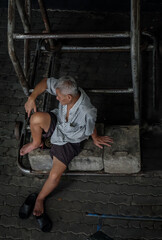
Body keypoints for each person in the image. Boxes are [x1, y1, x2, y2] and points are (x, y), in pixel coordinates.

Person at [20, 76, 113, 216]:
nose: (56, 98)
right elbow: (46, 82)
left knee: (55, 175)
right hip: (59, 122)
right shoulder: (66, 88)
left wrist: (95, 137)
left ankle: (40, 198)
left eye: (58, 96)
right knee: (35, 118)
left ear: (69, 97)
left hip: (69, 141)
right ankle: (35, 142)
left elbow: (90, 125)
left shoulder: (86, 111)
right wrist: (32, 98)